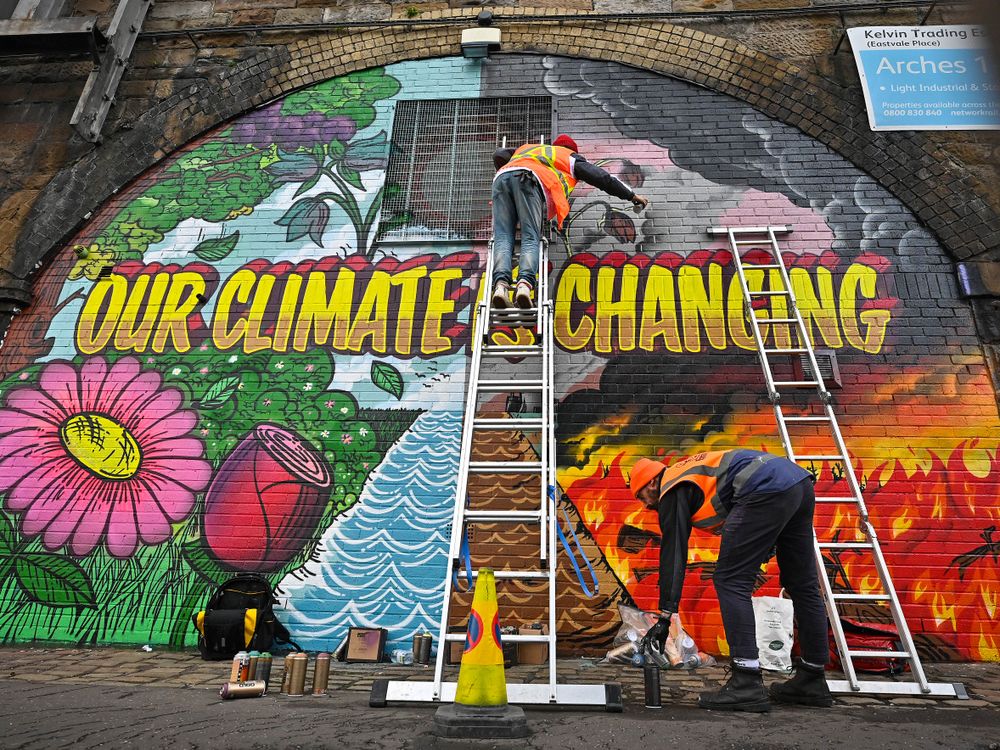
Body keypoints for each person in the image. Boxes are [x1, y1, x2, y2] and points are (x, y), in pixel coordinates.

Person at [630, 449, 832, 712]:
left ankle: (746, 681)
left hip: (766, 486)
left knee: (730, 580)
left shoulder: (672, 487)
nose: (645, 505)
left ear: (652, 482)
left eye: (640, 495)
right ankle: (813, 679)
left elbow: (674, 552)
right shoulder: (692, 475)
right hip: (797, 484)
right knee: (802, 585)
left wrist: (666, 614)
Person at [491, 134, 649, 309]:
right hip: (528, 180)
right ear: (572, 150)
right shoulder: (569, 157)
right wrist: (631, 195)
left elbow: (500, 153)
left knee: (503, 237)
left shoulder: (529, 149)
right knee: (530, 236)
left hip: (501, 178)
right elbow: (602, 178)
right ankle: (524, 286)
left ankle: (500, 288)